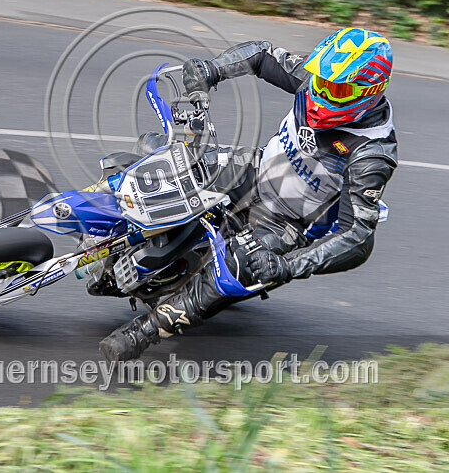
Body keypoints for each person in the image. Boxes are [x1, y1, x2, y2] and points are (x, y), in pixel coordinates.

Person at [99, 27, 398, 361]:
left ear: (369, 92)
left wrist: (288, 266)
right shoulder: (314, 83)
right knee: (158, 151)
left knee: (234, 269)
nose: (322, 92)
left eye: (337, 89)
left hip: (284, 223)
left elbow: (357, 235)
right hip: (251, 169)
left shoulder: (372, 153)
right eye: (321, 81)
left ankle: (142, 332)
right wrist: (213, 69)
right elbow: (262, 53)